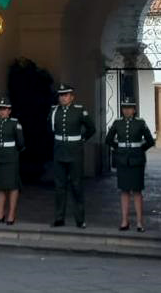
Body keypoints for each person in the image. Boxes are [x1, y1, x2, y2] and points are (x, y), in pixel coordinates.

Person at [104, 98, 156, 232]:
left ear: (134, 110)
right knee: (124, 191)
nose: (126, 110)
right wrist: (119, 148)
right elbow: (108, 139)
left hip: (136, 160)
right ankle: (124, 221)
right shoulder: (117, 123)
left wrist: (138, 149)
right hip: (122, 160)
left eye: (129, 108)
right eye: (124, 108)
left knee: (137, 191)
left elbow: (150, 141)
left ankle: (140, 222)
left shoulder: (140, 123)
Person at [49, 83, 96, 228]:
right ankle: (59, 218)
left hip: (75, 152)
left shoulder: (79, 110)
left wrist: (81, 139)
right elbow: (50, 129)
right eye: (61, 95)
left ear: (72, 97)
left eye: (65, 95)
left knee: (76, 185)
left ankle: (80, 219)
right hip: (59, 151)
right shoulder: (54, 111)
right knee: (59, 186)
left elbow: (91, 128)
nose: (62, 98)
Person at [0, 97, 24, 225]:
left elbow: (21, 143)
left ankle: (11, 214)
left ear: (9, 111)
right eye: (0, 109)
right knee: (0, 186)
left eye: (5, 109)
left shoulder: (14, 123)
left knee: (12, 186)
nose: (2, 111)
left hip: (11, 158)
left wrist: (12, 151)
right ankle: (0, 213)